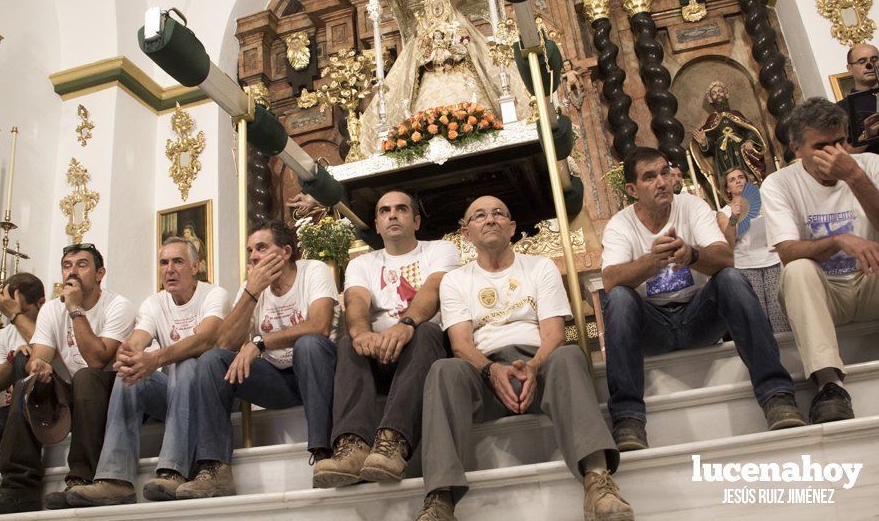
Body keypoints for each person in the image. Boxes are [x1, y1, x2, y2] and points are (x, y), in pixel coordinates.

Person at [416, 196, 632, 521]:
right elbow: (460, 344)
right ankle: (440, 500)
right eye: (479, 216)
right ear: (466, 234)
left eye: (498, 213)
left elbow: (554, 334)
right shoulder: (455, 281)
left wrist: (533, 366)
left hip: (539, 368)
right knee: (444, 369)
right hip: (483, 375)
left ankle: (597, 482)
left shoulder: (539, 267)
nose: (490, 220)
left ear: (512, 227)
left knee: (569, 355)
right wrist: (492, 371)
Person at [601, 147, 804, 452]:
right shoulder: (620, 224)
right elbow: (609, 280)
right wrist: (651, 262)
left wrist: (692, 254)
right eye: (650, 177)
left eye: (665, 172)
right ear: (632, 190)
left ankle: (777, 396)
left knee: (731, 279)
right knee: (618, 298)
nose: (662, 182)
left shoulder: (692, 207)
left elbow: (726, 258)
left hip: (698, 318)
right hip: (652, 327)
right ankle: (628, 419)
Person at [176, 220, 339, 498]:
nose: (253, 256)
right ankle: (215, 468)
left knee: (309, 345)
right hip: (278, 381)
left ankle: (324, 454)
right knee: (211, 361)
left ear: (286, 252)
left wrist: (259, 343)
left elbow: (320, 325)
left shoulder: (313, 270)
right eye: (250, 250)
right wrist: (252, 292)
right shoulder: (251, 286)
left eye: (262, 247)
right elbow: (224, 343)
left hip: (319, 372)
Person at [65, 238, 230, 506]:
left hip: (209, 397)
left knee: (187, 364)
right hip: (174, 396)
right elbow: (136, 340)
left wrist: (154, 358)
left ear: (196, 266)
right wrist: (129, 356)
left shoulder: (214, 295)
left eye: (178, 261)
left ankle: (172, 471)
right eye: (164, 263)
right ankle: (115, 479)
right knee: (129, 374)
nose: (169, 269)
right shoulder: (154, 303)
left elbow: (206, 339)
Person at [313, 190, 460, 489]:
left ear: (416, 221)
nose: (392, 215)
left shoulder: (440, 250)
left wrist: (406, 324)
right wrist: (361, 333)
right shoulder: (362, 264)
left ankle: (392, 444)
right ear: (377, 226)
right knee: (347, 341)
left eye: (401, 209)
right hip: (378, 354)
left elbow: (433, 290)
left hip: (423, 353)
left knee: (427, 330)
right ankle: (352, 447)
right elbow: (355, 301)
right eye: (384, 211)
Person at [0, 244, 134, 514]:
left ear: (100, 273)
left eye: (82, 265)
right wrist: (38, 366)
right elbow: (41, 355)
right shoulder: (52, 309)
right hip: (71, 391)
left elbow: (97, 360)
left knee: (87, 376)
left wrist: (76, 309)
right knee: (26, 381)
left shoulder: (117, 305)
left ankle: (80, 479)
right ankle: (19, 488)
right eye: (67, 265)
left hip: (112, 389)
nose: (73, 271)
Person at [762, 97, 879, 424]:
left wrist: (855, 177)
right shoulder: (779, 183)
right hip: (823, 293)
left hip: (870, 281)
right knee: (797, 269)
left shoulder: (869, 165)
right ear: (797, 148)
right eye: (822, 146)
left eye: (840, 142)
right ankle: (829, 385)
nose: (835, 153)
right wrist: (840, 239)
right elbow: (787, 251)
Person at [716, 167, 790, 332]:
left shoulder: (763, 202)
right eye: (732, 179)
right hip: (746, 265)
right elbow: (729, 241)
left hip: (771, 260)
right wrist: (734, 218)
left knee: (779, 312)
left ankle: (788, 355)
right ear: (727, 188)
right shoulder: (724, 212)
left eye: (741, 177)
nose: (738, 181)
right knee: (758, 314)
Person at [0, 274, 45, 447]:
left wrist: (15, 315)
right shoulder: (6, 334)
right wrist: (12, 360)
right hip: (17, 409)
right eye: (9, 309)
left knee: (25, 357)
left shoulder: (53, 322)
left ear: (41, 303)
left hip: (50, 403)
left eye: (22, 311)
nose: (13, 317)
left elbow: (45, 347)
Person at [835, 42, 879, 152]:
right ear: (849, 68)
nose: (869, 65)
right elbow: (842, 155)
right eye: (862, 61)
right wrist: (866, 135)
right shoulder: (840, 109)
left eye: (874, 59)